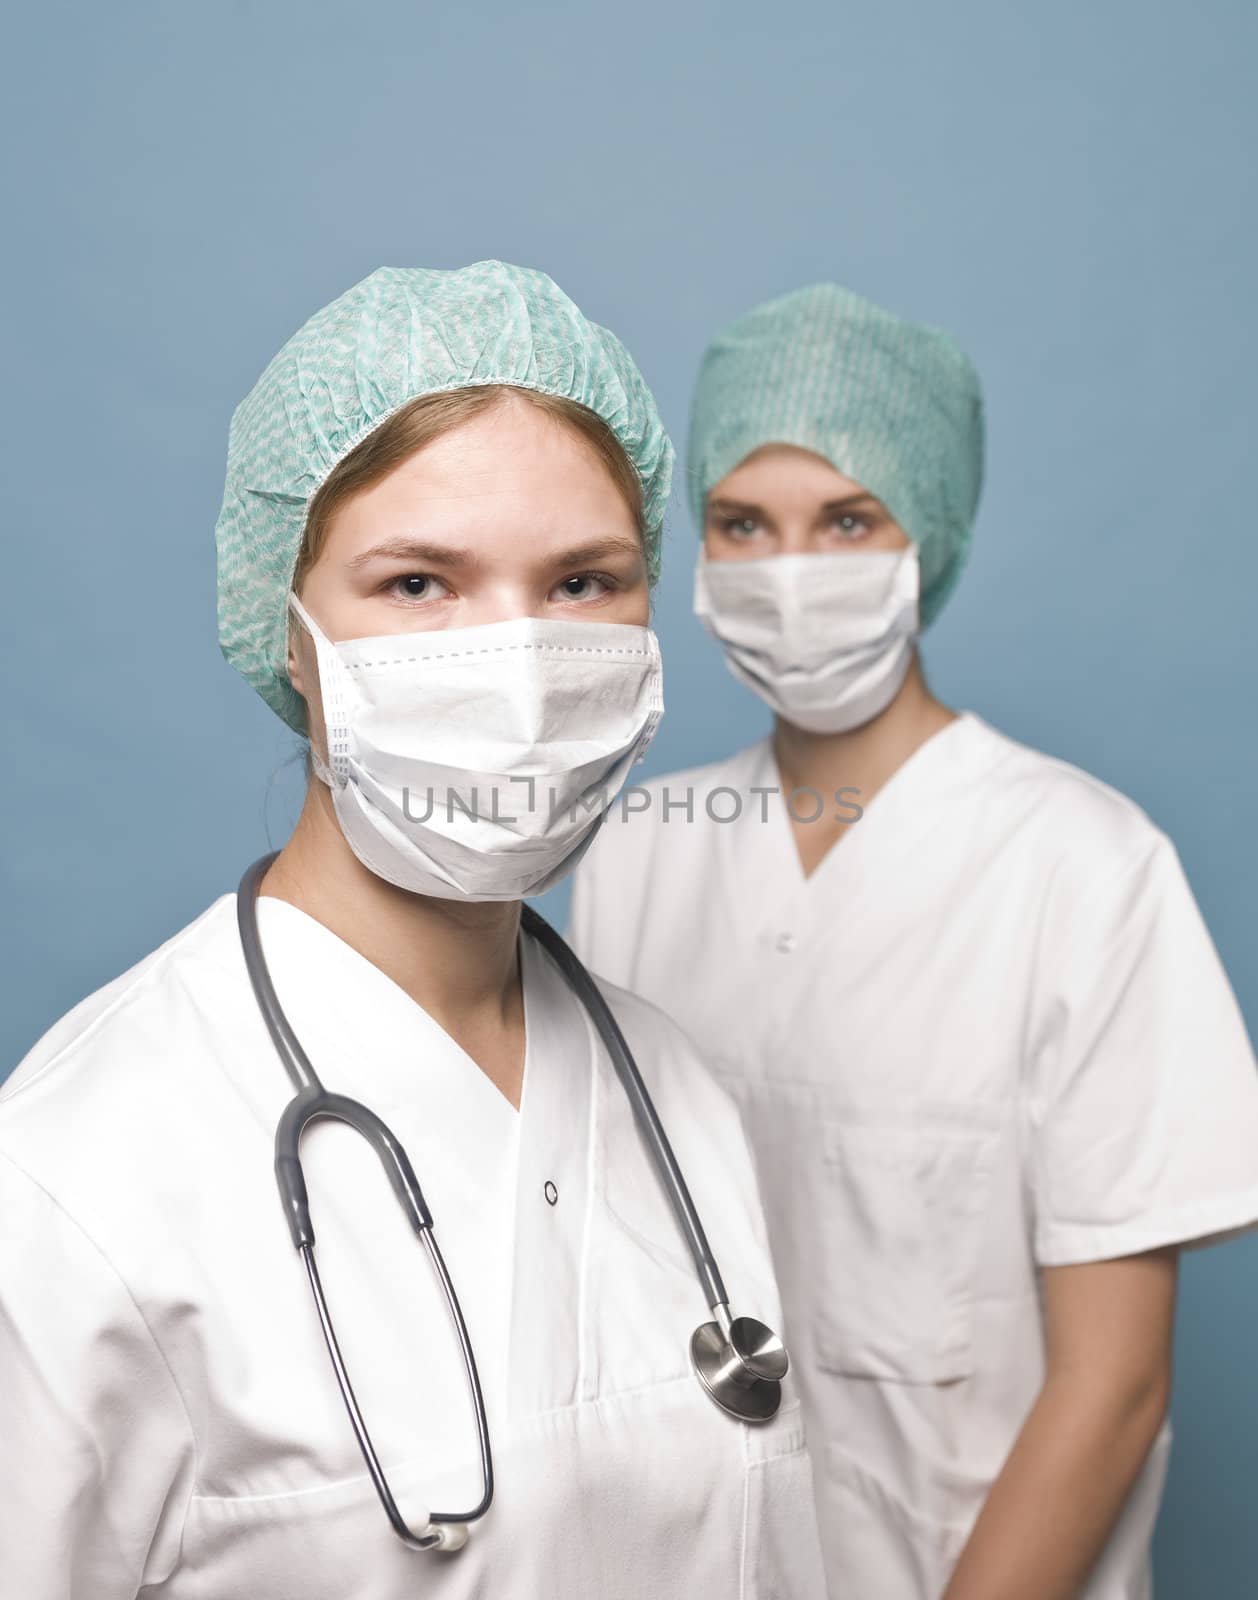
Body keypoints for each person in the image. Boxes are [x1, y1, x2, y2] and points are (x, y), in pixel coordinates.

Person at [0, 262, 827, 1598]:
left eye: (579, 582)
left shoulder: (678, 1096)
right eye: (418, 585)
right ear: (288, 629)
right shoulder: (75, 1180)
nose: (512, 664)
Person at [568, 282, 1258, 1600]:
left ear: (922, 534)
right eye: (739, 524)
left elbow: (1111, 1386)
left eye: (844, 519)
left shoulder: (1081, 868)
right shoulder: (639, 847)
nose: (788, 570)